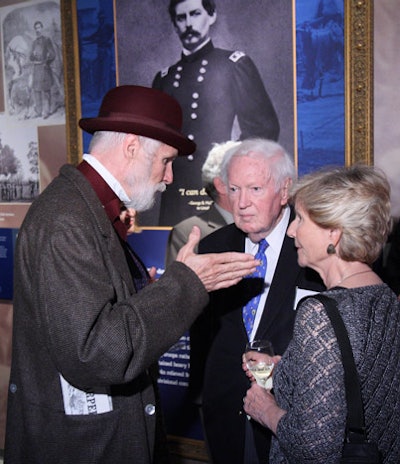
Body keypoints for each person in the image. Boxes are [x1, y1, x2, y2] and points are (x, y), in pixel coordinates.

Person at [4, 85, 259, 464]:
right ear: (132, 148)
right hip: (83, 448)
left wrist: (152, 289)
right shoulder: (67, 220)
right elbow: (94, 354)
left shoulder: (82, 209)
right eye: (167, 161)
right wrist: (187, 282)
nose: (169, 177)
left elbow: (93, 314)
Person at [243, 165, 400, 463]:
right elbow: (357, 382)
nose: (291, 230)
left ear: (333, 232)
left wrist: (266, 411)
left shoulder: (320, 312)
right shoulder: (386, 297)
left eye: (300, 218)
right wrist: (287, 368)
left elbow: (314, 448)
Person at [193, 138, 324, 464]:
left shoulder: (315, 247)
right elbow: (202, 335)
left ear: (284, 191)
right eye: (234, 190)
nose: (241, 203)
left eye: (254, 189)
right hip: (225, 410)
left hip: (294, 415)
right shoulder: (213, 249)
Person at [152, 0, 280, 226]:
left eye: (195, 14)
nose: (189, 23)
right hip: (176, 193)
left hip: (218, 187)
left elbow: (264, 128)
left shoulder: (233, 65)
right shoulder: (165, 79)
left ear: (211, 16)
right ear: (174, 24)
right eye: (181, 18)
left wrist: (229, 165)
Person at [165, 140, 238, 265]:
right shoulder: (186, 233)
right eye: (243, 175)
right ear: (221, 185)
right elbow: (179, 283)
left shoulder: (263, 226)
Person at [29, 20, 56, 119]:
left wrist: (46, 63)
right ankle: (38, 111)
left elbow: (53, 54)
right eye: (36, 28)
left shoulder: (47, 40)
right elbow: (30, 58)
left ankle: (46, 111)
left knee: (45, 90)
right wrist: (33, 55)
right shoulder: (34, 42)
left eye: (39, 27)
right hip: (36, 69)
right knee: (36, 91)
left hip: (44, 68)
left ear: (42, 28)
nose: (37, 30)